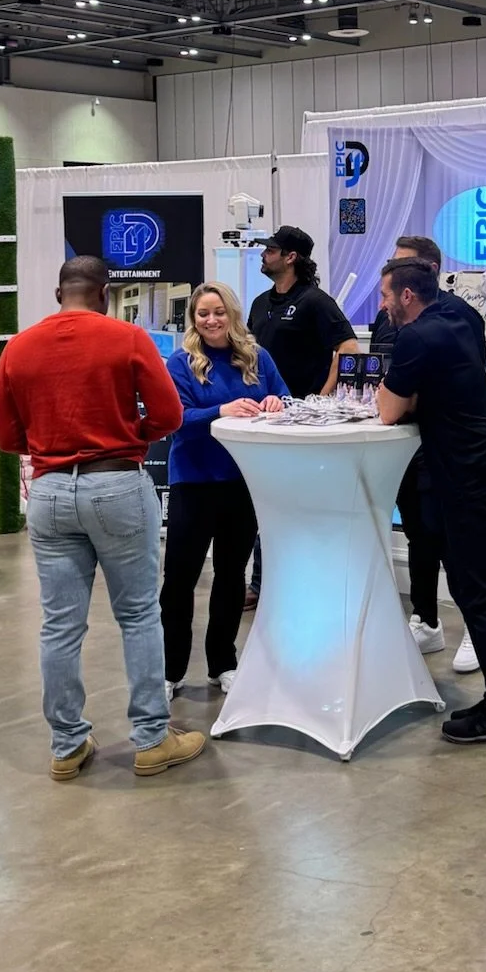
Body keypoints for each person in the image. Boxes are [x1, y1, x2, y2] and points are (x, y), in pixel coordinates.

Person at [0, 255, 205, 782]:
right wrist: (127, 433)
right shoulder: (126, 339)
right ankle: (152, 739)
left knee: (60, 625)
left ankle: (67, 745)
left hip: (49, 493)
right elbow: (169, 416)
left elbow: (6, 437)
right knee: (137, 615)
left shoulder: (18, 348)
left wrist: (50, 445)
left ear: (58, 291)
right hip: (116, 485)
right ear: (105, 293)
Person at [376, 257, 486, 746]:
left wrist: (407, 395)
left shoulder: (416, 337)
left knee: (478, 595)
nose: (381, 306)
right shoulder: (463, 314)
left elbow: (387, 411)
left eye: (384, 296)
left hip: (472, 480)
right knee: (474, 590)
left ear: (406, 296)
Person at [160, 282, 287, 696]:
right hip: (193, 481)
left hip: (243, 482)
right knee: (180, 579)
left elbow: (285, 397)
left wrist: (275, 404)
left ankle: (223, 663)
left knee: (231, 575)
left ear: (232, 315)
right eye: (202, 314)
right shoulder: (181, 363)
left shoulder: (257, 358)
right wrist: (221, 411)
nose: (211, 320)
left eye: (218, 312)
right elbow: (175, 417)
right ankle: (170, 670)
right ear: (193, 319)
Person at [368, 235, 486, 673]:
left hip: (449, 448)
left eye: (399, 271)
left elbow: (443, 384)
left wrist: (401, 399)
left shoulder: (459, 317)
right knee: (420, 533)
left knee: (456, 546)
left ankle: (476, 627)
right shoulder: (389, 319)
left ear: (422, 276)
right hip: (405, 445)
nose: (387, 294)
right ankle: (426, 619)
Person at [247, 225, 355, 397]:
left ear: (290, 257)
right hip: (264, 405)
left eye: (270, 250)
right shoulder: (259, 303)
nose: (263, 255)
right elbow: (247, 349)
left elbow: (349, 347)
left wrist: (323, 398)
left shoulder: (316, 301)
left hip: (302, 410)